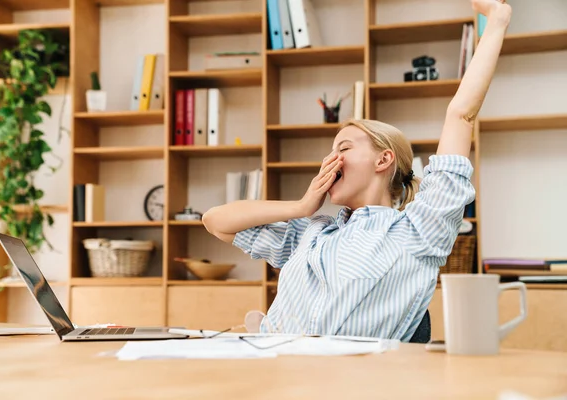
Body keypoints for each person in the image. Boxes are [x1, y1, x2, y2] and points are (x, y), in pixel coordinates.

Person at [202, 0, 512, 341]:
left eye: (344, 148)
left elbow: (461, 114)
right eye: (330, 151)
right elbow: (215, 220)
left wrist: (496, 21)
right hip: (273, 373)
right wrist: (301, 208)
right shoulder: (311, 233)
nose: (329, 161)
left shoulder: (418, 231)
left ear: (383, 160)